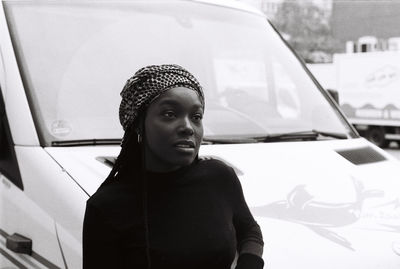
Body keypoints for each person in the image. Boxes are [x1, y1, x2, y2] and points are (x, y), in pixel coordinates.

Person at [82, 64, 264, 269]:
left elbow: (250, 231)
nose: (187, 127)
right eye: (169, 114)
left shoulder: (219, 177)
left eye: (196, 117)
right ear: (138, 123)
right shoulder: (107, 206)